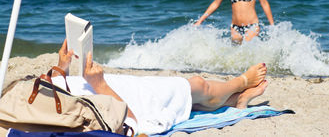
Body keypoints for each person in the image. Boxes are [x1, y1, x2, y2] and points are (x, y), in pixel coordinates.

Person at [55, 39, 269, 135]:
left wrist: (61, 66)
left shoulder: (31, 100)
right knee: (196, 85)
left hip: (95, 85)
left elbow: (52, 83)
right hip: (110, 94)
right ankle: (240, 83)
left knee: (188, 100)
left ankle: (235, 100)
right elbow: (130, 125)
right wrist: (100, 85)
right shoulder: (62, 120)